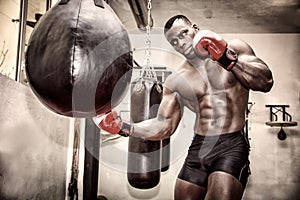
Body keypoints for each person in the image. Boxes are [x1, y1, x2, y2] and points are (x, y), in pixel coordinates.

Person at [97, 15, 274, 200]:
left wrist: (227, 59)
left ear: (195, 28)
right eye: (174, 41)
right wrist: (124, 127)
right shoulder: (177, 80)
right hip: (199, 147)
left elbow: (265, 81)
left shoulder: (235, 48)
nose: (181, 42)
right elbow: (163, 124)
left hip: (230, 145)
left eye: (184, 33)